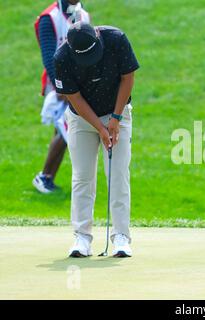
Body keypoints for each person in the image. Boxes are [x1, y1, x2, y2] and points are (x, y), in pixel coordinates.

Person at [54, 22, 139, 258]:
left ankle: (121, 237)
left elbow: (128, 77)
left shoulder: (116, 39)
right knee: (82, 177)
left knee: (118, 174)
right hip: (82, 119)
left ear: (98, 36)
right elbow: (74, 97)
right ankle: (82, 237)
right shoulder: (62, 58)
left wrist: (115, 118)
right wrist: (100, 127)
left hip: (117, 112)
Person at [33, 0, 90, 193]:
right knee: (66, 129)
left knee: (64, 130)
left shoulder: (83, 15)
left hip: (77, 84)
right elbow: (48, 56)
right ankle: (44, 177)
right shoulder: (49, 18)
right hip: (58, 86)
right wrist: (63, 87)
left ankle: (47, 177)